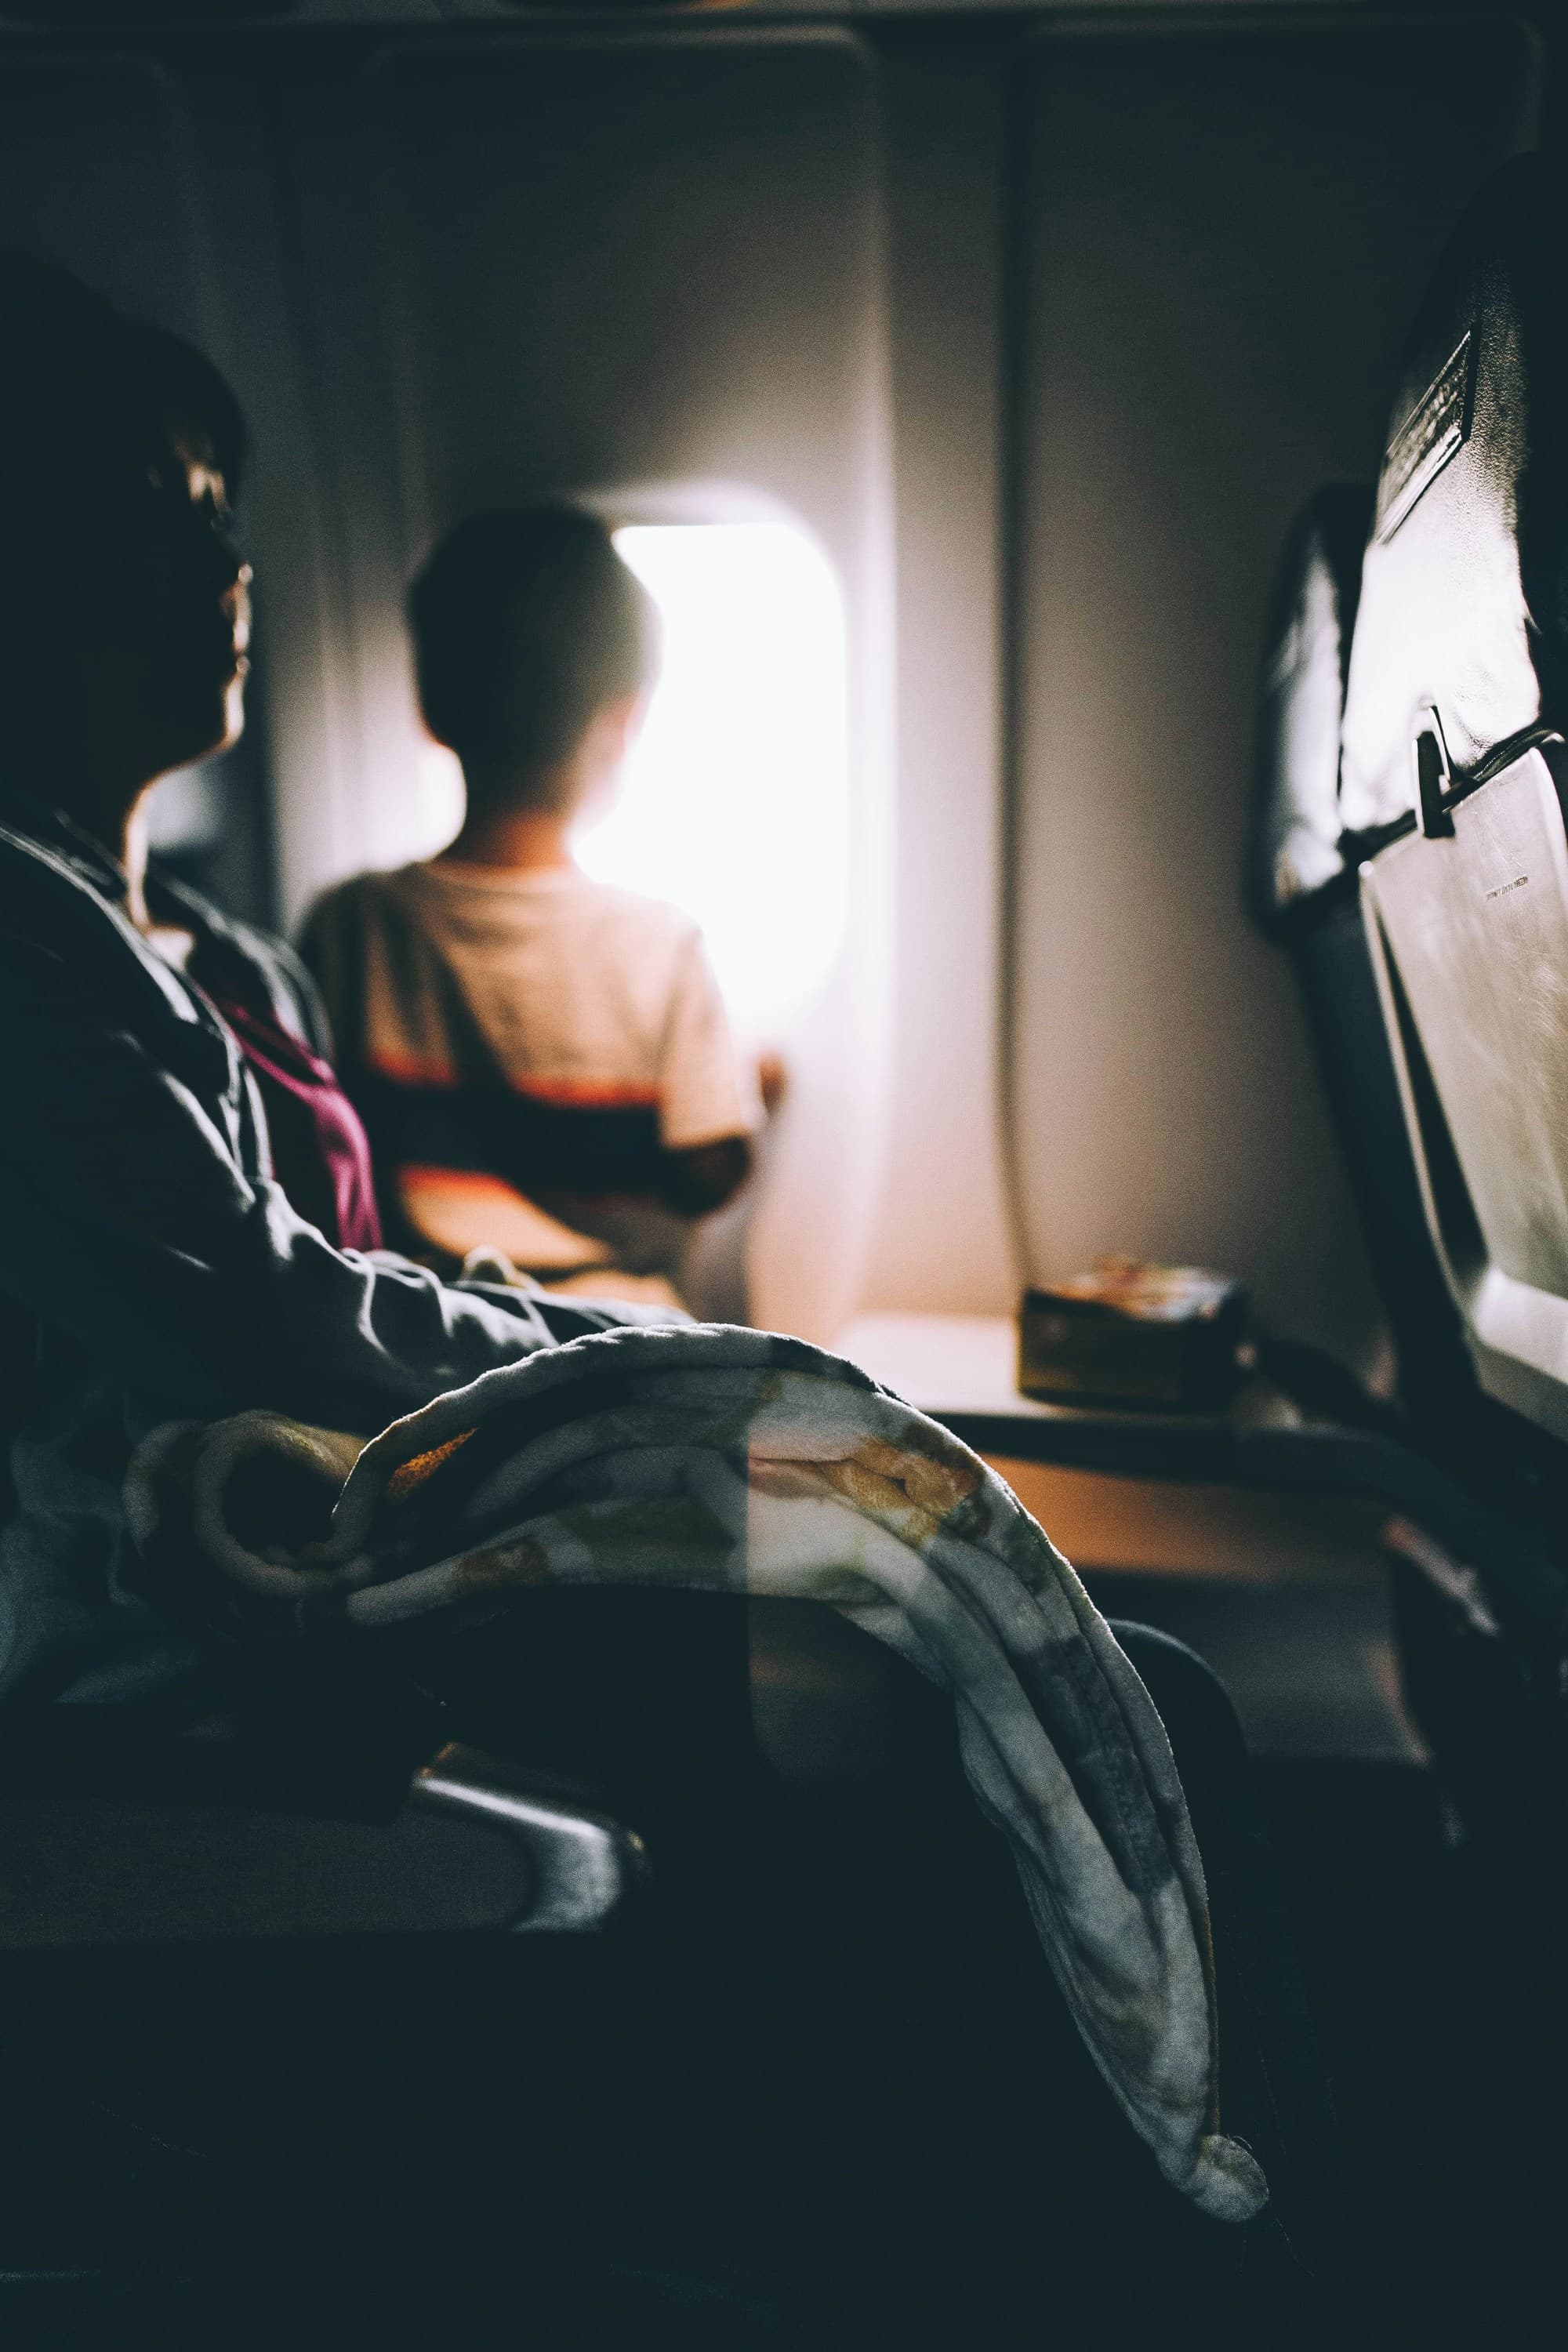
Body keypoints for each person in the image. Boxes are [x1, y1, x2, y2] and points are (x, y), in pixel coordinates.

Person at [0, 258, 656, 1708]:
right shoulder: (20, 956)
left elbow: (362, 1272)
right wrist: (635, 1370)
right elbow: (262, 1316)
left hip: (380, 1542)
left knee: (1003, 1636)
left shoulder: (238, 957)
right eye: (159, 511)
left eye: (224, 508)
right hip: (187, 1649)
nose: (229, 559)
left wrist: (601, 1344)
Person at [299, 506, 764, 1291]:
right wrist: (753, 1099)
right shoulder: (659, 943)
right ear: (622, 721)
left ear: (431, 706)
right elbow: (708, 1172)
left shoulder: (350, 926)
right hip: (611, 1341)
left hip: (421, 1329)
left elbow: (317, 1149)